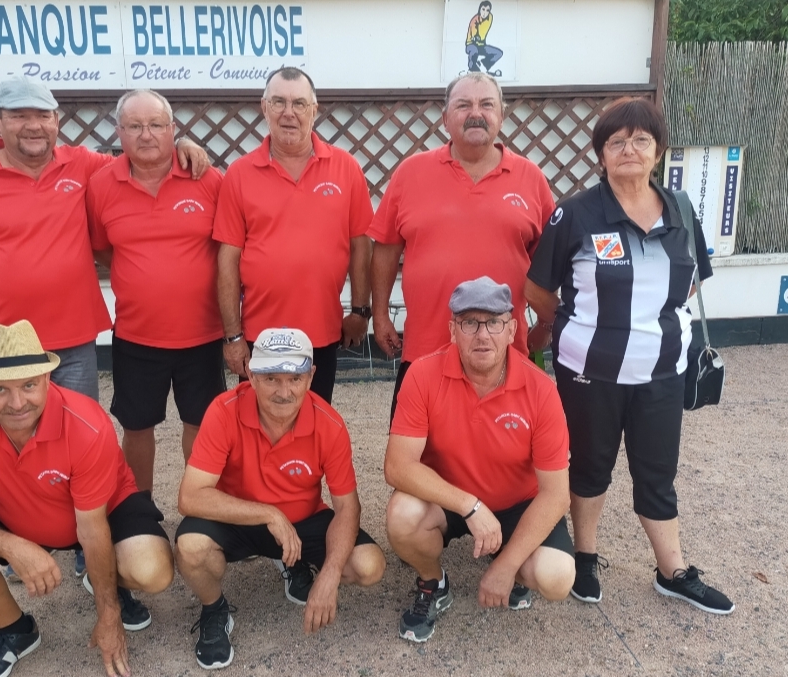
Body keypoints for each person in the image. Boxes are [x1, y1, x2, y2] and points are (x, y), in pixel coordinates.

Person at [525, 97, 735, 614]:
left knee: (657, 471)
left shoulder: (681, 210)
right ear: (601, 154)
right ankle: (585, 557)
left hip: (663, 371)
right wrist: (573, 324)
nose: (629, 150)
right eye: (616, 141)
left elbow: (691, 283)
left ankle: (673, 570)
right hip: (589, 370)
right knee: (589, 465)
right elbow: (537, 290)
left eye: (641, 140)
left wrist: (647, 318)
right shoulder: (575, 214)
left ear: (658, 150)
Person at [0, 320, 174, 677]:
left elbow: (92, 529)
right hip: (12, 506)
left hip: (101, 510)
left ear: (46, 377)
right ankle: (17, 631)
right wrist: (13, 547)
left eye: (28, 385)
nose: (17, 403)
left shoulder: (86, 423)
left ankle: (107, 582)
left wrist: (109, 616)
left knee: (153, 571)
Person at [0, 78, 209, 402]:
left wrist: (181, 144)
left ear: (56, 121)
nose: (33, 126)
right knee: (12, 426)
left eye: (43, 115)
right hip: (5, 341)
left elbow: (145, 157)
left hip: (74, 341)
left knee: (76, 426)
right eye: (19, 116)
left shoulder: (82, 165)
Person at [174, 327, 386, 669]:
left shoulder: (329, 424)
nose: (284, 392)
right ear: (251, 375)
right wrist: (270, 514)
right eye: (271, 378)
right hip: (238, 519)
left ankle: (294, 562)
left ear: (311, 376)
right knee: (190, 548)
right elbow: (190, 497)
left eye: (295, 378)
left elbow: (348, 506)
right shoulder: (224, 410)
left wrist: (330, 574)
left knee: (368, 565)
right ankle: (214, 608)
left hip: (303, 521)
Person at [384, 277, 574, 643]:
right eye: (470, 322)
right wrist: (470, 506)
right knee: (402, 516)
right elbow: (397, 467)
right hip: (451, 498)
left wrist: (506, 567)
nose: (482, 335)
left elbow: (556, 494)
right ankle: (433, 582)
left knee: (557, 577)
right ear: (452, 330)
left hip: (518, 503)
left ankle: (508, 560)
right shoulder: (422, 374)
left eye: (494, 322)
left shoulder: (541, 389)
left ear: (512, 330)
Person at [368, 72, 555, 419]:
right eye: (464, 105)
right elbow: (385, 250)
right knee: (413, 448)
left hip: (503, 353)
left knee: (503, 449)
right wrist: (379, 315)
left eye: (487, 105)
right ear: (445, 118)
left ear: (502, 115)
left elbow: (548, 266)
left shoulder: (531, 178)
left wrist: (545, 324)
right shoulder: (410, 173)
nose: (476, 113)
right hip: (425, 352)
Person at [87, 89, 225, 497]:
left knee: (201, 424)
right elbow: (102, 248)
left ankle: (201, 505)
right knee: (136, 426)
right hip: (137, 335)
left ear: (172, 129)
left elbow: (230, 245)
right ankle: (139, 508)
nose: (146, 134)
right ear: (119, 131)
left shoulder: (207, 178)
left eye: (156, 125)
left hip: (203, 333)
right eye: (134, 126)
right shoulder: (100, 184)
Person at [213, 67, 374, 404]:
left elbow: (361, 245)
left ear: (314, 110)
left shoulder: (346, 168)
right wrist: (232, 336)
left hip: (322, 332)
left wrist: (360, 311)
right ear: (264, 107)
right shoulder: (239, 174)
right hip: (259, 335)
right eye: (279, 102)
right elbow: (227, 259)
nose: (289, 112)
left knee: (315, 421)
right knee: (257, 423)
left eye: (299, 103)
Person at [465, 1, 504, 76]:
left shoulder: (490, 17)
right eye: (483, 9)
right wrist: (476, 37)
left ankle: (482, 64)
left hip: (482, 45)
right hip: (471, 44)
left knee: (498, 53)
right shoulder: (475, 20)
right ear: (479, 9)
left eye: (487, 10)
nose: (484, 13)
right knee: (474, 51)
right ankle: (471, 68)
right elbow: (474, 36)